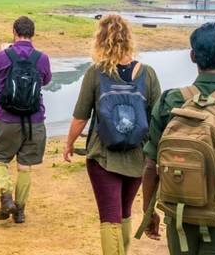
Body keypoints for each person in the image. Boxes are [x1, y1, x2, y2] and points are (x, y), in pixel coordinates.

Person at [140, 22, 215, 255]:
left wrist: (148, 211)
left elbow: (150, 165)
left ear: (193, 56)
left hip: (180, 215)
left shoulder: (169, 102)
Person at [63, 15, 161, 254]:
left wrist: (69, 144)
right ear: (128, 39)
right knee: (125, 212)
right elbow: (157, 118)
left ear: (100, 40)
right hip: (138, 156)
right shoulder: (147, 74)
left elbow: (80, 116)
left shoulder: (95, 73)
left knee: (110, 217)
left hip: (103, 156)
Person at [0, 16, 51, 223]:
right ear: (33, 34)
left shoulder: (3, 56)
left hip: (7, 118)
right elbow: (46, 80)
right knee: (24, 166)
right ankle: (20, 211)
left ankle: (6, 197)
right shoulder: (42, 57)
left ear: (14, 32)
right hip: (34, 120)